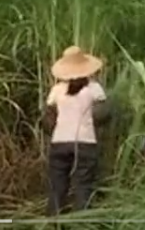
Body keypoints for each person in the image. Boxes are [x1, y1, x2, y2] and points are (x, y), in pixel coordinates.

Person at [43, 46, 111, 216]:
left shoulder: (57, 90)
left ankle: (54, 220)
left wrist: (57, 130)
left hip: (60, 141)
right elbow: (103, 114)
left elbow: (48, 118)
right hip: (85, 142)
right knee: (83, 184)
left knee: (57, 183)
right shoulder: (94, 89)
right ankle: (81, 221)